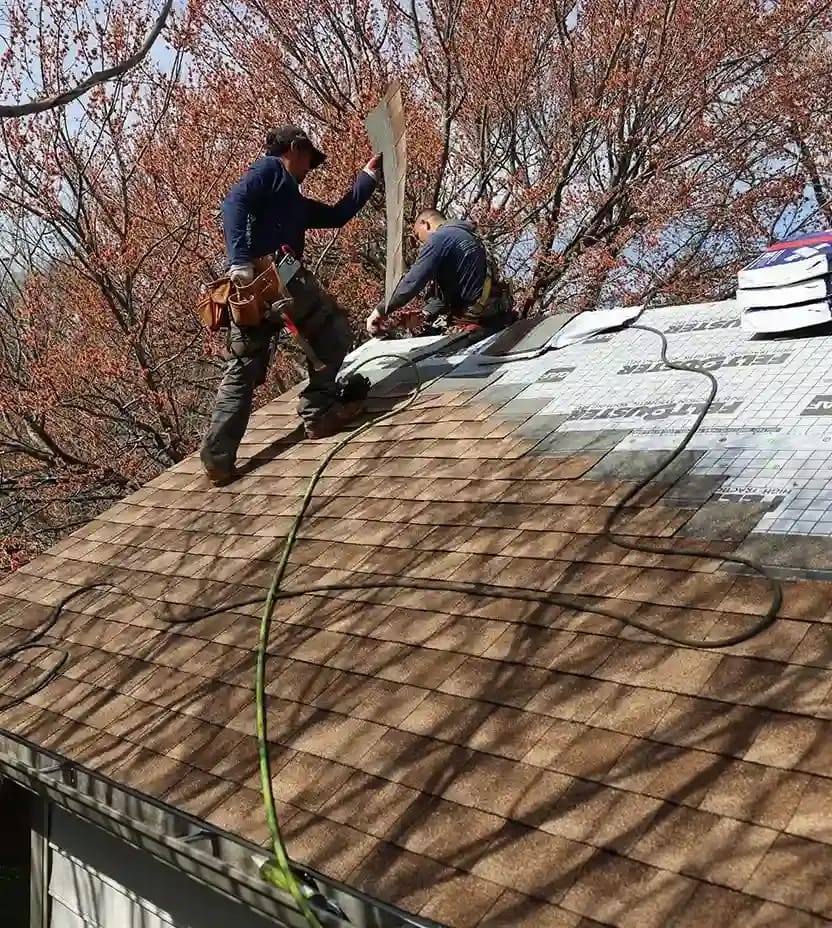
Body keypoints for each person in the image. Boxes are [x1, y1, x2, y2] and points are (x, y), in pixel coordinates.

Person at [200, 125, 381, 487]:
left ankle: (217, 459)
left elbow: (337, 215)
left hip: (253, 291)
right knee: (332, 332)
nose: (309, 169)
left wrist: (367, 178)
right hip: (276, 276)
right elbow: (233, 203)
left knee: (244, 366)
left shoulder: (291, 201)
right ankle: (319, 410)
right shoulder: (270, 169)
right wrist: (239, 260)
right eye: (309, 160)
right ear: (295, 148)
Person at [365, 209, 515, 337]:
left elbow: (413, 281)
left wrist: (381, 309)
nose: (421, 242)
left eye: (418, 235)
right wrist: (425, 313)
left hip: (475, 319)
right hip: (495, 314)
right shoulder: (470, 236)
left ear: (425, 224)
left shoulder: (439, 238)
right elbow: (454, 291)